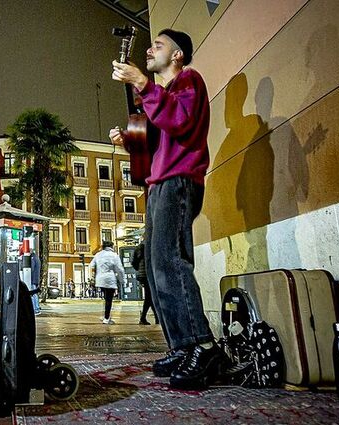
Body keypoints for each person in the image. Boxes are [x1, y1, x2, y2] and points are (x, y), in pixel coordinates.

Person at [111, 28, 226, 389]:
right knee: (159, 265)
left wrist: (144, 84)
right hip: (159, 183)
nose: (150, 49)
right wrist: (130, 139)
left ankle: (203, 346)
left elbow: (180, 121)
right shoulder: (160, 93)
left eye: (157, 45)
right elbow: (155, 142)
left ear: (176, 55)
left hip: (179, 180)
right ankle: (181, 345)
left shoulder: (189, 81)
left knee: (171, 261)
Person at [88, 240, 125, 325]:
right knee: (109, 299)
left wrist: (94, 275)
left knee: (106, 298)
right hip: (110, 279)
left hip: (100, 280)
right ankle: (106, 318)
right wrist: (122, 280)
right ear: (111, 247)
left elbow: (91, 265)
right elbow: (120, 269)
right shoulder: (114, 255)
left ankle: (106, 316)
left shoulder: (98, 254)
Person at [131, 242, 156, 325]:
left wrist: (139, 269)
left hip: (142, 275)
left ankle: (156, 317)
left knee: (150, 296)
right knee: (149, 297)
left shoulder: (138, 248)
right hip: (149, 274)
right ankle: (143, 318)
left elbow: (133, 262)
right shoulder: (150, 246)